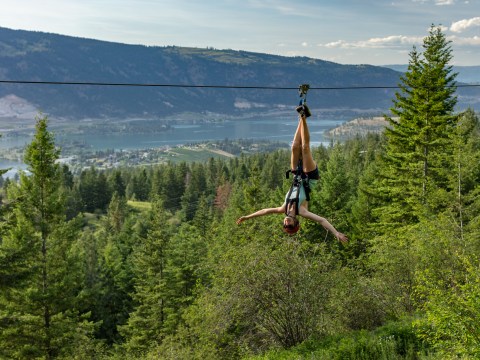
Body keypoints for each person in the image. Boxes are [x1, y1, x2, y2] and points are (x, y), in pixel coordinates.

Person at [236, 105, 348, 244]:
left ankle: (302, 116)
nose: (286, 223)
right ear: (296, 222)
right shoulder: (302, 211)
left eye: (285, 225)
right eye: (290, 225)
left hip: (297, 175)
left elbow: (264, 211)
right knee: (305, 148)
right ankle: (303, 118)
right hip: (310, 177)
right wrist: (335, 233)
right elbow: (321, 220)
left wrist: (247, 217)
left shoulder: (283, 208)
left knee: (295, 146)